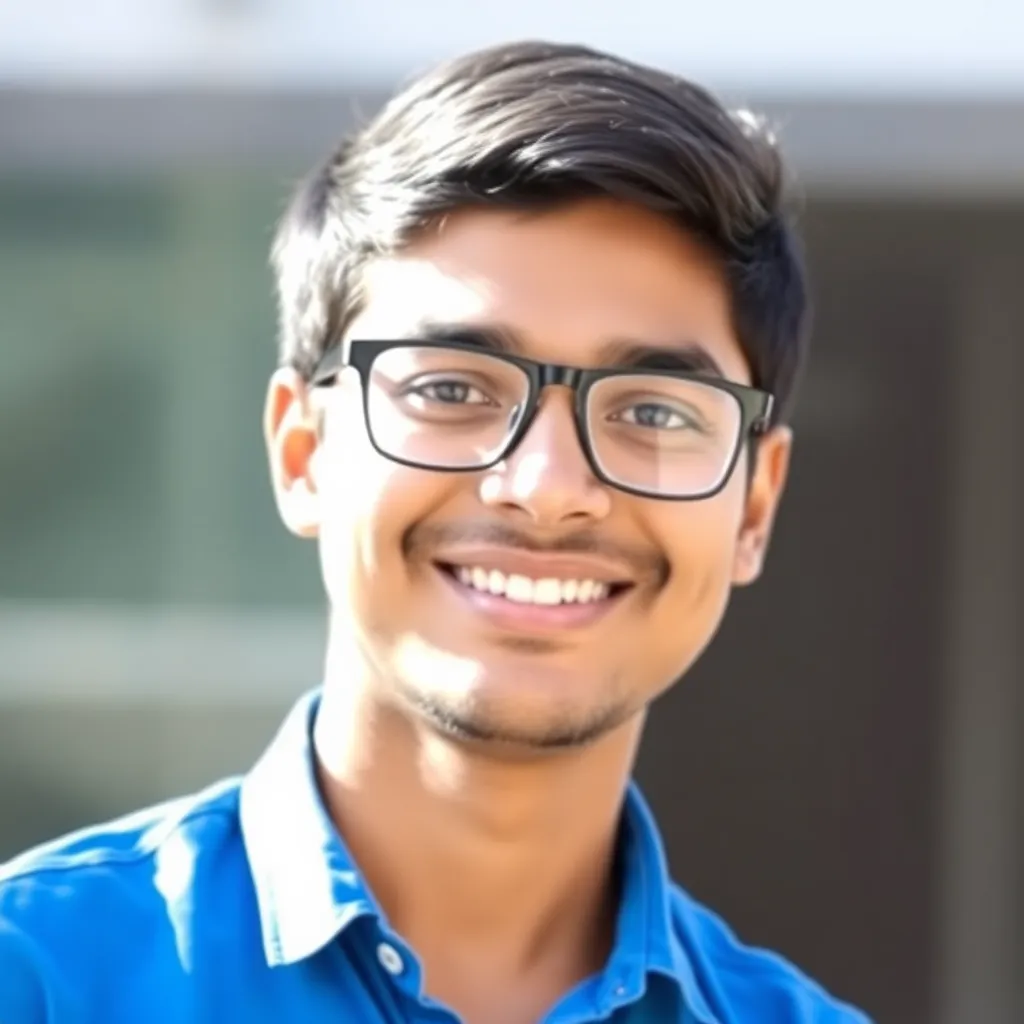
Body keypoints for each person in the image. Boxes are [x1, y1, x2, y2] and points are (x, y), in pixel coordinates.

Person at [0, 40, 872, 1024]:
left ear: (753, 505)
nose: (546, 490)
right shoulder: (37, 978)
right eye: (451, 388)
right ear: (302, 453)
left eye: (656, 411)